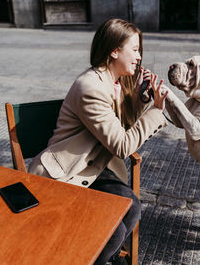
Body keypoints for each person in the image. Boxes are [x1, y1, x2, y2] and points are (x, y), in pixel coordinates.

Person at [28, 18, 168, 264]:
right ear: (114, 50)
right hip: (65, 174)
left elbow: (119, 127)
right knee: (113, 231)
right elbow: (122, 145)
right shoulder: (90, 87)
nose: (139, 57)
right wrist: (157, 111)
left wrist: (140, 99)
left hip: (92, 167)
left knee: (132, 206)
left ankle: (100, 256)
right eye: (134, 50)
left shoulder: (112, 82)